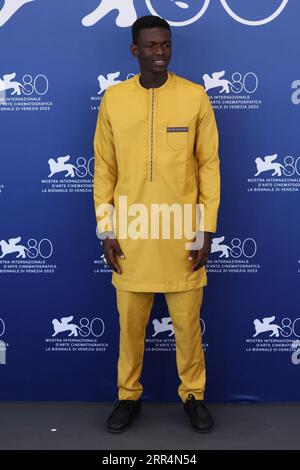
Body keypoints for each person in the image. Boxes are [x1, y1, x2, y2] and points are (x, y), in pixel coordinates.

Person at [93, 15, 220, 433]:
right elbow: (105, 170)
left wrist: (207, 228)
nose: (160, 52)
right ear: (135, 50)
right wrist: (106, 228)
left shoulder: (195, 97)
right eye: (151, 46)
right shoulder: (114, 99)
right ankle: (128, 397)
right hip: (131, 236)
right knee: (130, 327)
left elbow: (209, 167)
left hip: (181, 233)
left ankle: (193, 396)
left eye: (166, 44)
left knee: (187, 325)